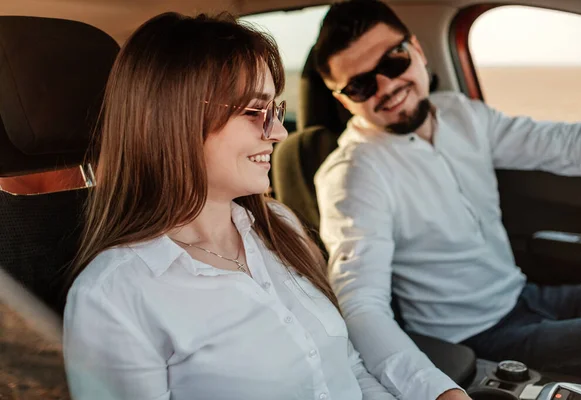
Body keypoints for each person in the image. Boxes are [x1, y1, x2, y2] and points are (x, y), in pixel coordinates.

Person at [62, 12, 404, 400]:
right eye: (255, 111)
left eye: (275, 109)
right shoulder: (114, 295)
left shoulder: (279, 225)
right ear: (176, 119)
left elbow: (348, 369)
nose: (278, 132)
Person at [313, 0, 581, 395]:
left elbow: (569, 146)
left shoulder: (461, 114)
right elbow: (361, 305)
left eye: (393, 61)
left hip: (525, 293)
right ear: (344, 100)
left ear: (416, 48)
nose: (386, 87)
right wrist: (435, 390)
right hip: (479, 337)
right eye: (360, 85)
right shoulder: (355, 174)